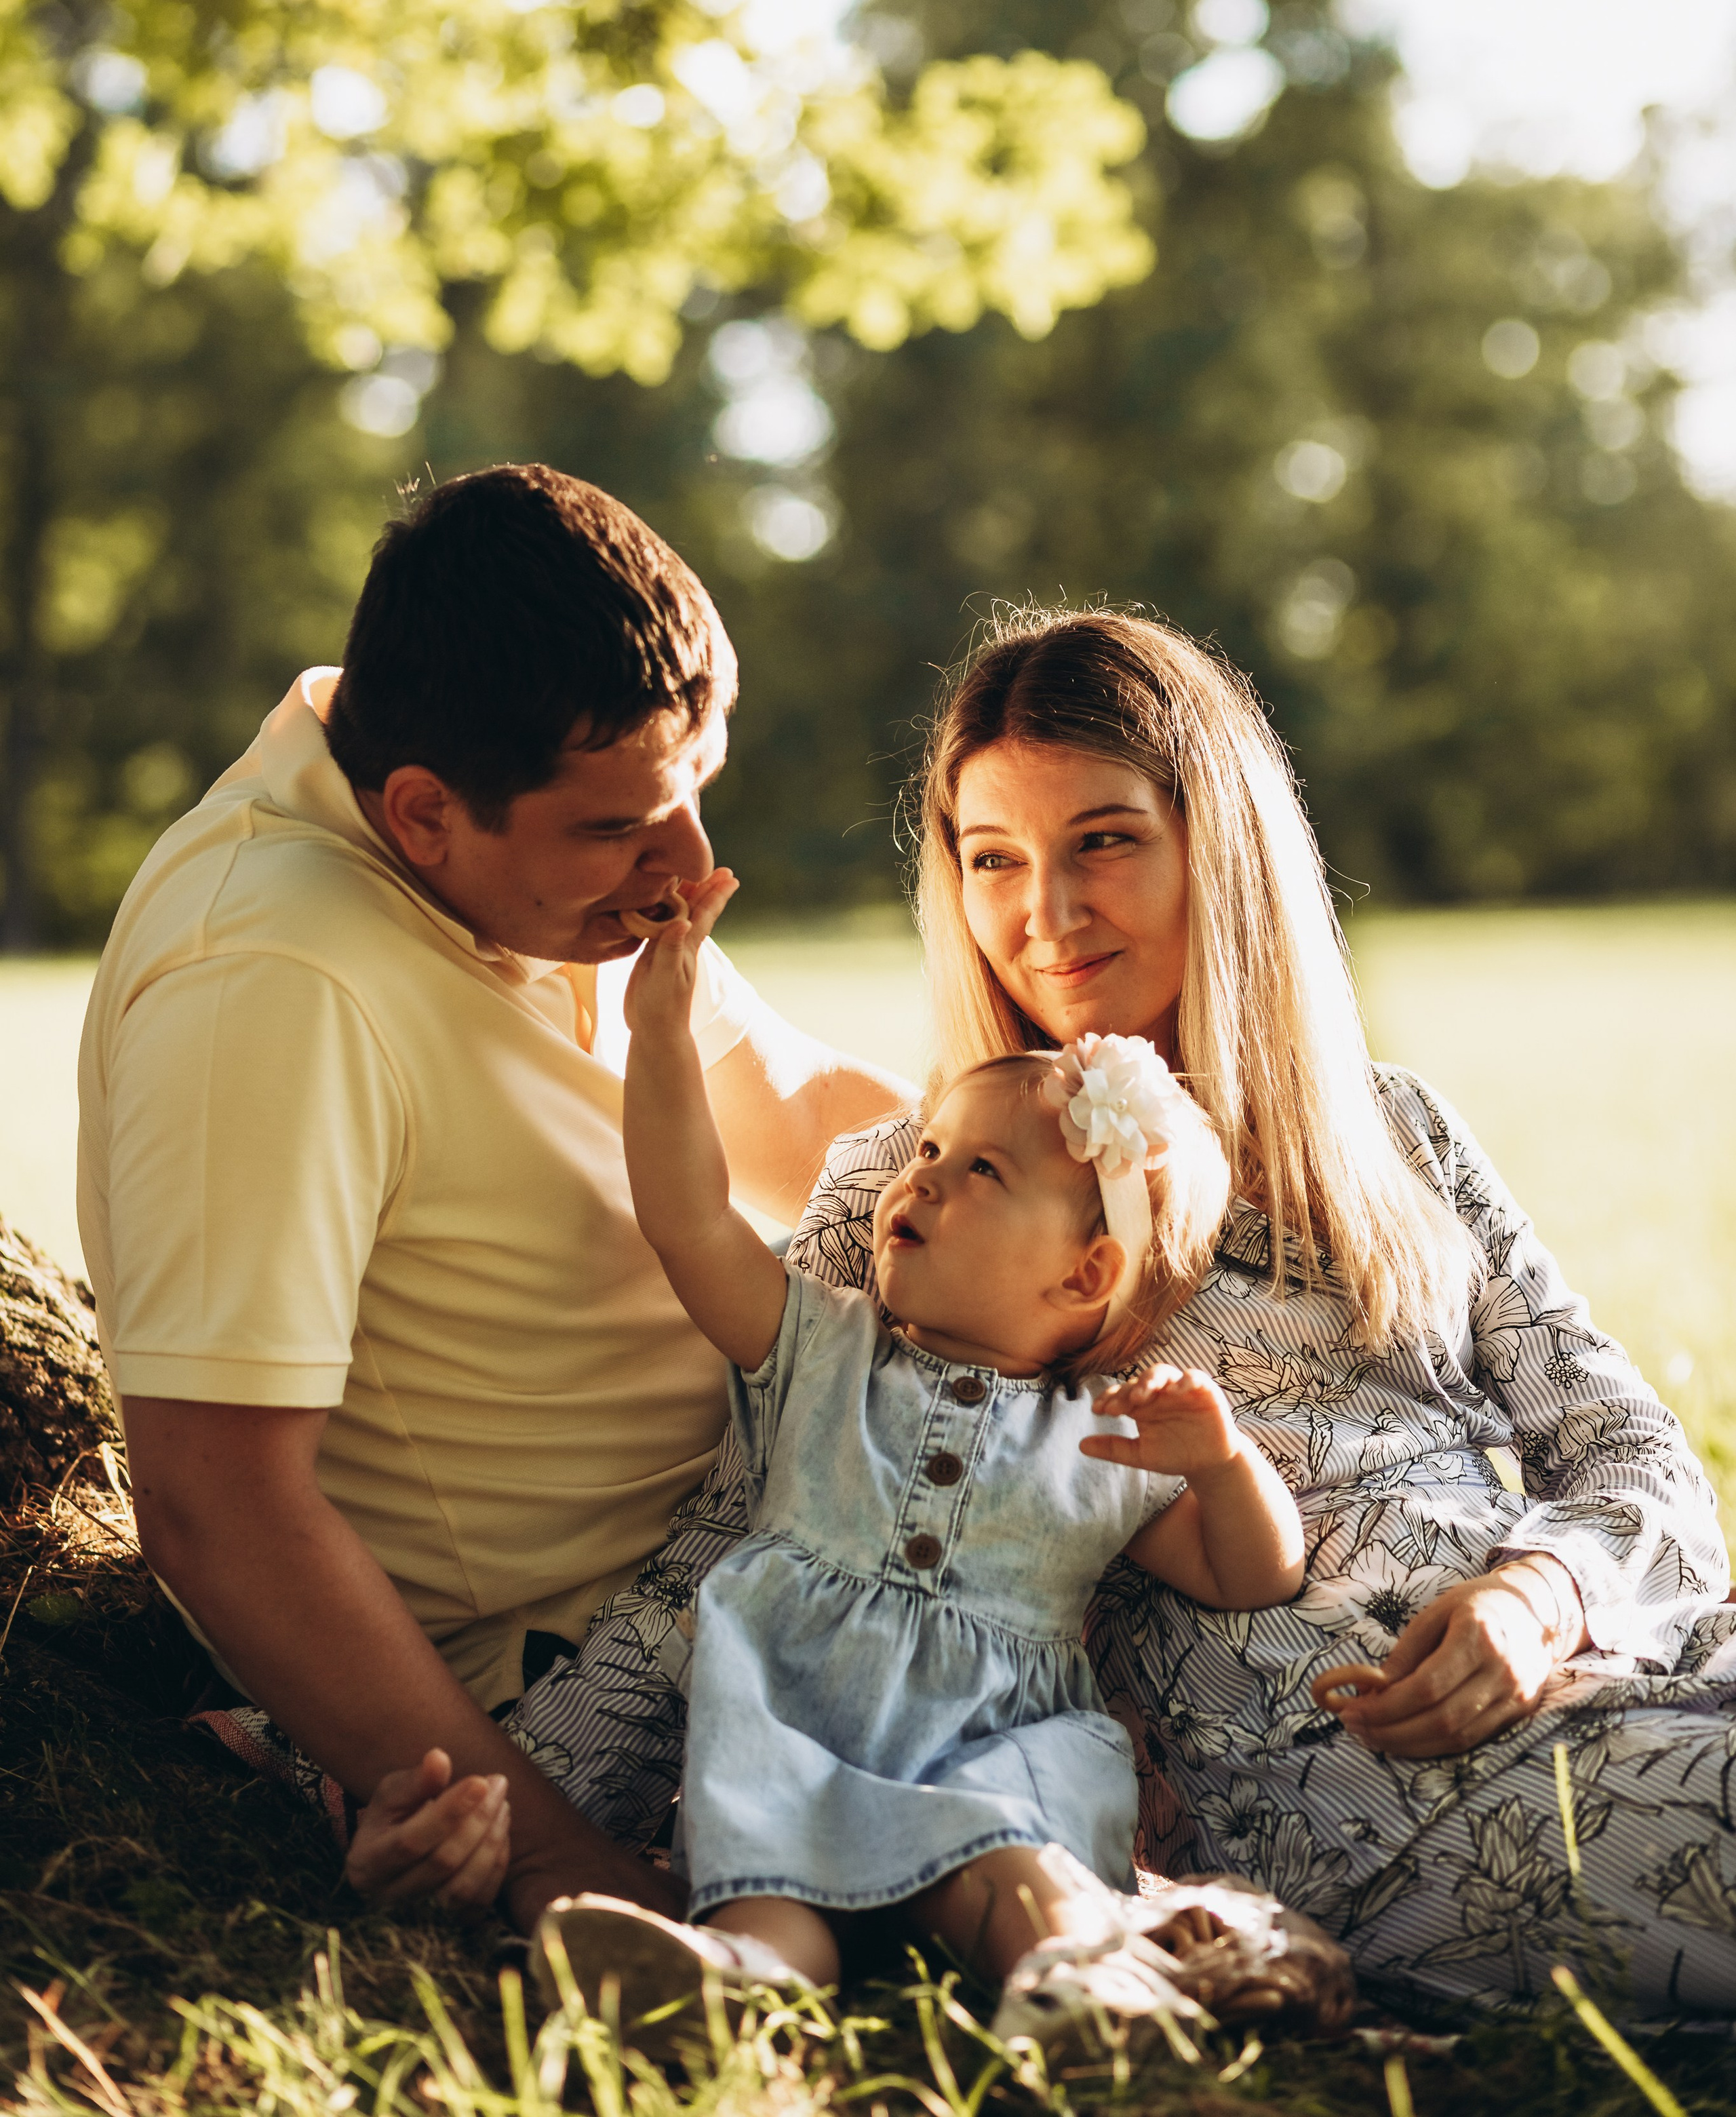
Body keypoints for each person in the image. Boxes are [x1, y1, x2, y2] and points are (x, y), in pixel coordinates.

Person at [523, 607, 1736, 2021]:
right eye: (993, 860)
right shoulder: (910, 1195)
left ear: (1214, 845)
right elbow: (768, 1535)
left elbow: (1635, 1457)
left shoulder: (1393, 1134)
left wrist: (1545, 1592)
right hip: (1380, 1781)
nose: (1045, 913)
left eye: (1101, 839)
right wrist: (477, 1781)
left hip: (1622, 1659)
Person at [77, 467, 914, 1931]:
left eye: (695, 792)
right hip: (585, 1675)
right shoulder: (271, 983)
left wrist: (1109, 1179)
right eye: (622, 831)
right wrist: (554, 1861)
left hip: (773, 1531)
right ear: (420, 816)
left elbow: (790, 1113)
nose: (691, 872)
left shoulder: (539, 839)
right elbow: (219, 1506)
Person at [536, 868, 1306, 2044]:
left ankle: (1082, 1981)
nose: (922, 1173)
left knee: (1019, 1866)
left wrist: (1221, 1464)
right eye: (930, 1147)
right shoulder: (823, 1345)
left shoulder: (1104, 1434)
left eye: (979, 1171)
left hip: (994, 1752)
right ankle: (736, 1982)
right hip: (797, 1725)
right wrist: (658, 1028)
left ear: (1086, 1275)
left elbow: (1253, 1573)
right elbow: (689, 1219)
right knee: (767, 1879)